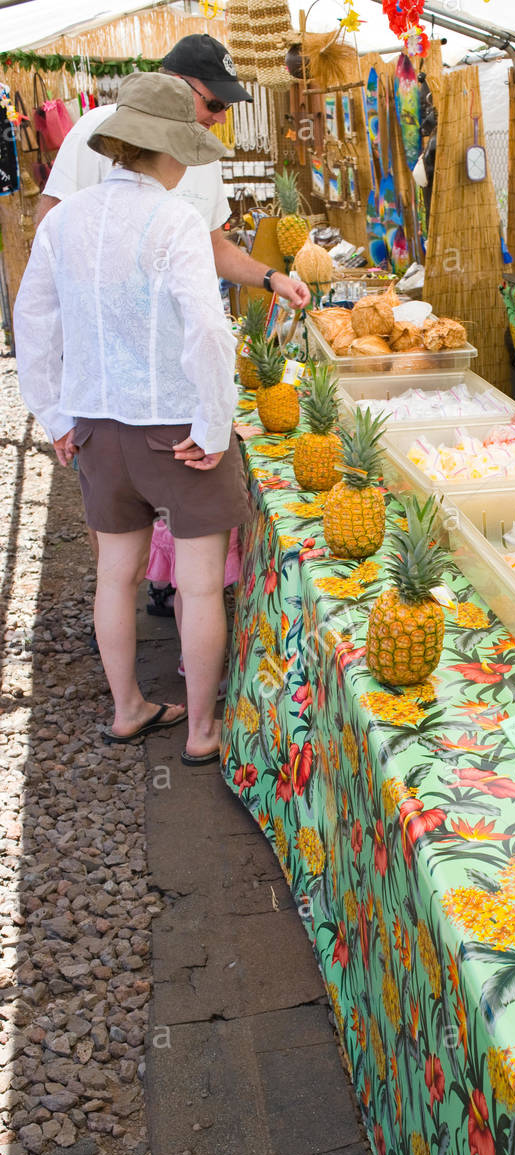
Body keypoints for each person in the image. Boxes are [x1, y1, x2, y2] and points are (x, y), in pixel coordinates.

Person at [15, 72, 249, 766]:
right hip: (174, 427)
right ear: (168, 151)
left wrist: (56, 413)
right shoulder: (173, 219)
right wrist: (213, 425)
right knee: (200, 584)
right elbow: (208, 332)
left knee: (115, 574)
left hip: (95, 425)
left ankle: (127, 708)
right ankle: (202, 730)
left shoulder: (64, 220)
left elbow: (34, 322)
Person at [36, 33, 310, 314]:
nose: (221, 118)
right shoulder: (97, 129)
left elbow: (213, 246)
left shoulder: (204, 153)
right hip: (109, 340)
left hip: (182, 341)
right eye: (215, 104)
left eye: (227, 107)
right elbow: (50, 237)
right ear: (177, 85)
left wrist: (272, 278)